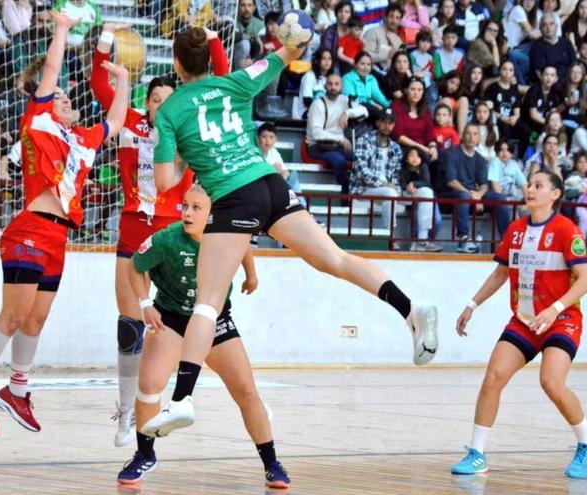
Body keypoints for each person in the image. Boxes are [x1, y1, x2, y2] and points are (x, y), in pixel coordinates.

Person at [142, 26, 438, 440]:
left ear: (175, 64)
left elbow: (163, 181)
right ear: (209, 60)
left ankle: (182, 400)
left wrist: (177, 151)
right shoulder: (236, 81)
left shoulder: (171, 109)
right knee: (335, 258)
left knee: (207, 303)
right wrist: (295, 32)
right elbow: (292, 50)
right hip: (271, 184)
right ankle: (411, 308)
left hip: (233, 196)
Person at [0, 12, 131, 436]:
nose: (66, 98)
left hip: (58, 236)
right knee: (14, 316)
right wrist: (61, 30)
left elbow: (115, 120)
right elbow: (52, 70)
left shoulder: (83, 140)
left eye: (68, 97)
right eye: (58, 96)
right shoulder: (37, 123)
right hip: (30, 228)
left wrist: (123, 80)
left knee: (35, 321)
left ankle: (17, 389)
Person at [90, 23, 229, 447]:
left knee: (180, 320)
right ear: (146, 104)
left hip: (173, 231)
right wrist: (106, 39)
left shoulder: (185, 129)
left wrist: (213, 40)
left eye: (167, 99)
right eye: (154, 99)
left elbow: (221, 82)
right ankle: (125, 407)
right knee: (130, 323)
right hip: (134, 224)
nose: (160, 104)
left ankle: (179, 393)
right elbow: (100, 81)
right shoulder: (130, 124)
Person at [119, 186, 290, 488]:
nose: (187, 212)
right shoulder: (166, 239)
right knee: (148, 387)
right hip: (172, 319)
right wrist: (145, 304)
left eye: (197, 208)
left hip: (214, 321)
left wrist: (252, 275)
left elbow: (244, 247)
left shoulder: (225, 236)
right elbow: (135, 266)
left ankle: (271, 462)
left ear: (213, 214)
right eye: (185, 206)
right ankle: (144, 455)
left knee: (247, 392)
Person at [451, 169, 587, 479]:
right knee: (493, 377)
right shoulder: (516, 229)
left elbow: (586, 280)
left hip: (561, 320)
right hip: (524, 321)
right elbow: (501, 273)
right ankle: (477, 453)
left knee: (551, 382)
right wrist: (472, 304)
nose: (529, 189)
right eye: (529, 184)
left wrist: (555, 309)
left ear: (555, 195)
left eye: (538, 185)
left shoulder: (566, 230)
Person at [440, 124, 510, 252]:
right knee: (464, 196)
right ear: (462, 136)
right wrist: (471, 195)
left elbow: (484, 184)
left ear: (479, 139)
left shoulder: (479, 158)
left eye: (475, 134)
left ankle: (505, 241)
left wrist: (478, 195)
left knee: (500, 198)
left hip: (472, 195)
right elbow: (451, 181)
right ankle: (463, 240)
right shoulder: (452, 153)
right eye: (468, 133)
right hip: (453, 194)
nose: (471, 137)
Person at [306, 73, 360, 196]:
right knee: (338, 160)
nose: (333, 87)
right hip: (317, 146)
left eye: (337, 84)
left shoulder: (344, 101)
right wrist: (340, 139)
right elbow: (316, 134)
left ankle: (359, 190)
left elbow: (364, 111)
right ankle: (345, 190)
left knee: (361, 156)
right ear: (325, 86)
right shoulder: (318, 104)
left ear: (341, 86)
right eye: (330, 84)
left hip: (337, 146)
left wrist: (347, 112)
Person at [350, 108, 404, 229]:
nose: (387, 126)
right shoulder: (364, 140)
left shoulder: (396, 148)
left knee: (425, 194)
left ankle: (422, 239)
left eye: (390, 123)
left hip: (387, 190)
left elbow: (395, 175)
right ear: (377, 123)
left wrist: (397, 189)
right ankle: (391, 235)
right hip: (364, 189)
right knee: (390, 193)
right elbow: (361, 171)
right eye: (384, 122)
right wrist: (383, 184)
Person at [400, 146, 442, 252]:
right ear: (406, 158)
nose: (415, 158)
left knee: (437, 219)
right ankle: (417, 242)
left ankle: (428, 241)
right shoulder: (403, 168)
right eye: (411, 155)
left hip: (426, 196)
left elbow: (427, 183)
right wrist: (407, 187)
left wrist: (413, 184)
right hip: (409, 197)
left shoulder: (423, 167)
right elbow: (402, 183)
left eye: (418, 156)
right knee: (417, 215)